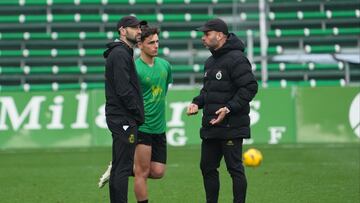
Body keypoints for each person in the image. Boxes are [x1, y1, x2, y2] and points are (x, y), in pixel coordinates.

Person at [187, 18, 258, 203]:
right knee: (207, 167)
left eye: (206, 34)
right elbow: (208, 91)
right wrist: (197, 103)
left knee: (234, 169)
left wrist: (229, 108)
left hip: (231, 125)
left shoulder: (237, 59)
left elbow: (250, 87)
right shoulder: (210, 61)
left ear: (219, 35)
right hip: (212, 125)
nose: (203, 38)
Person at [100, 26, 173, 203]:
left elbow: (164, 91)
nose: (156, 46)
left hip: (159, 126)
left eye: (157, 42)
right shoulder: (135, 68)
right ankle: (122, 169)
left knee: (157, 172)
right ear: (140, 45)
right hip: (143, 125)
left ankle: (118, 168)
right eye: (151, 43)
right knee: (142, 172)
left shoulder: (165, 65)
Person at [103, 15, 147, 203]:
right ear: (122, 30)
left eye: (139, 28)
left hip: (122, 117)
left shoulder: (123, 52)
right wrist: (137, 112)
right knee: (122, 168)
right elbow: (123, 89)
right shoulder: (120, 54)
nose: (139, 31)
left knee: (120, 166)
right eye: (134, 28)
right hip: (123, 118)